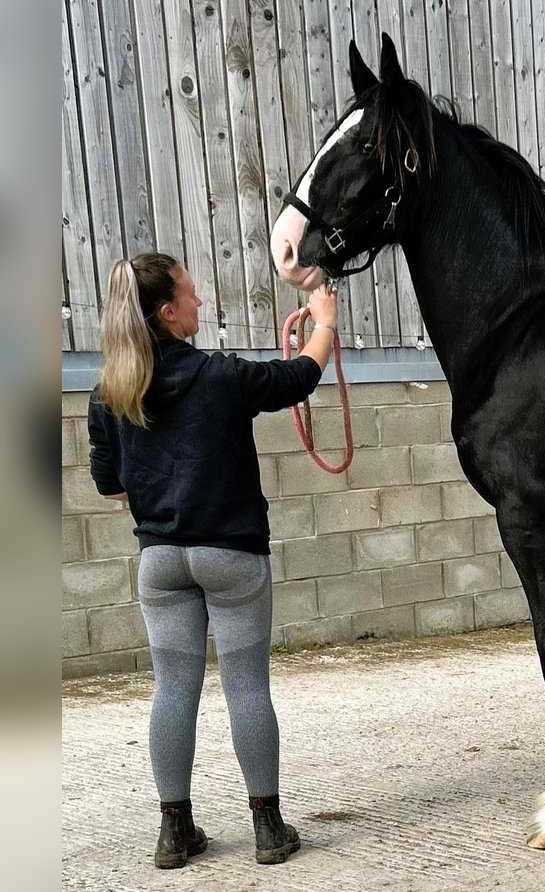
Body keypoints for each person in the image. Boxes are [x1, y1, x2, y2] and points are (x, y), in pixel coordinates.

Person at [87, 252, 338, 868]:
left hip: (162, 562)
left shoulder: (108, 394)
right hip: (231, 557)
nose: (201, 304)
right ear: (169, 313)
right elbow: (296, 380)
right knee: (247, 687)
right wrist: (325, 322)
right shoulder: (219, 375)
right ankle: (269, 830)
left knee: (173, 691)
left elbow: (110, 486)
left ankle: (175, 834)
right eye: (192, 297)